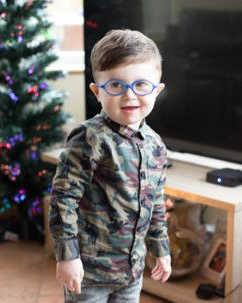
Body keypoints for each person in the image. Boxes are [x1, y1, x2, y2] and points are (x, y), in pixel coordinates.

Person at [49, 29, 171, 303]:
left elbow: (157, 203)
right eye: (116, 85)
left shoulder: (156, 145)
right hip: (89, 274)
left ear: (157, 90)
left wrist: (161, 249)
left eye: (141, 85)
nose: (129, 96)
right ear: (96, 91)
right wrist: (67, 256)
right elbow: (63, 200)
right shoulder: (88, 137)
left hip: (131, 272)